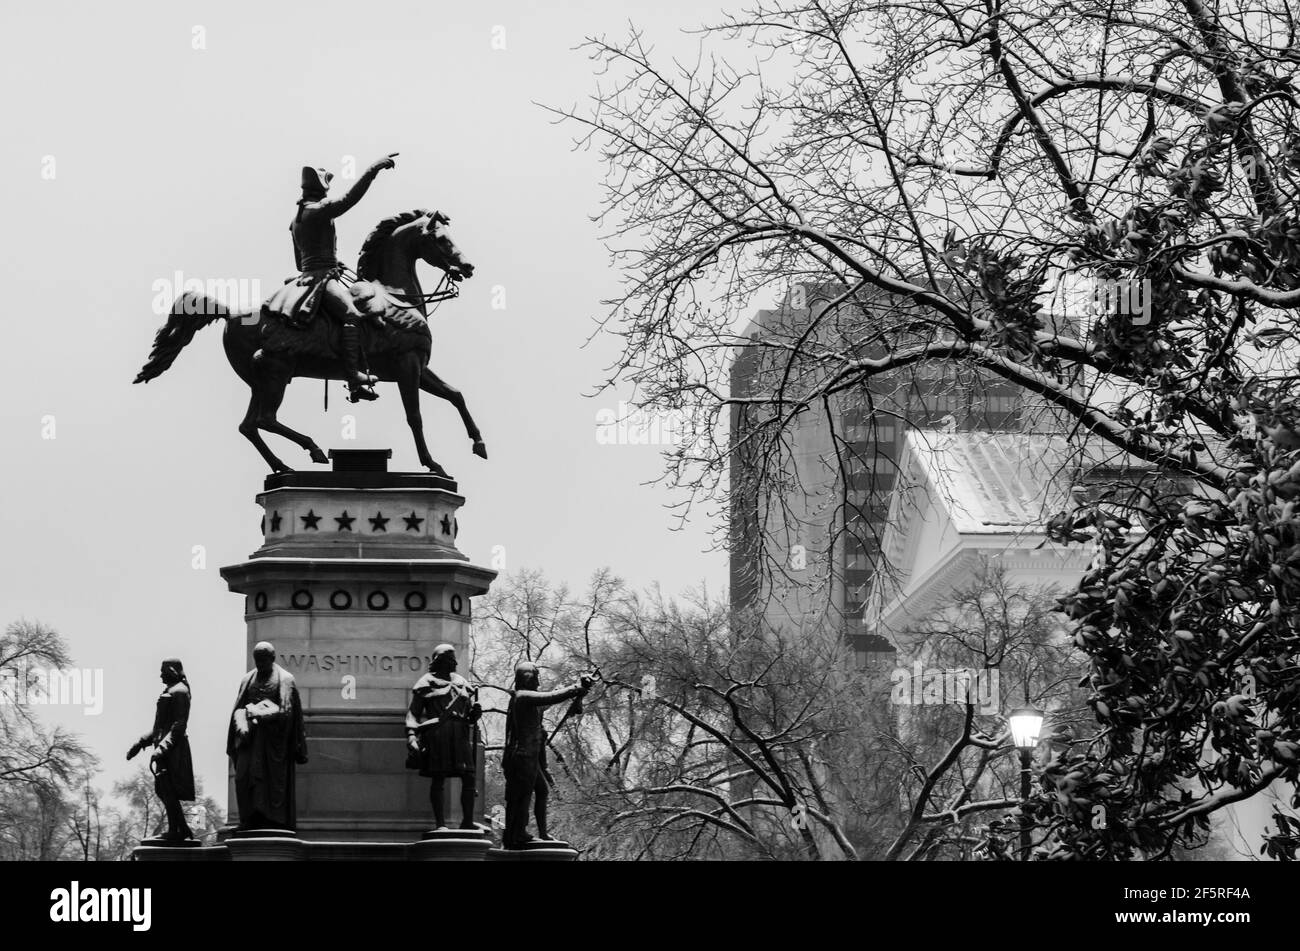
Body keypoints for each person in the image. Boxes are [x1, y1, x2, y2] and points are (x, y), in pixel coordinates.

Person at [264, 153, 399, 401]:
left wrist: (330, 261)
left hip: (307, 278)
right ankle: (353, 377)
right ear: (321, 188)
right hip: (322, 280)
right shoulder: (321, 210)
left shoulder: (296, 220)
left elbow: (299, 262)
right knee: (351, 314)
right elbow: (350, 199)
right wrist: (373, 169)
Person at [501, 662, 593, 848]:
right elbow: (550, 697)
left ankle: (542, 833)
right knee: (523, 795)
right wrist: (575, 688)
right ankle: (517, 834)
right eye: (535, 677)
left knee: (541, 790)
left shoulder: (531, 702)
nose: (537, 681)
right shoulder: (522, 696)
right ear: (527, 678)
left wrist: (579, 690)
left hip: (531, 756)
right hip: (522, 756)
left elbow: (548, 701)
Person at [226, 641, 308, 831]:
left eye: (264, 660)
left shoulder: (285, 679)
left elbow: (287, 712)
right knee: (242, 778)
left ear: (272, 658)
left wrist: (258, 714)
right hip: (249, 739)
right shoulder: (248, 679)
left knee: (266, 781)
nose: (260, 664)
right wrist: (242, 725)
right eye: (257, 660)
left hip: (273, 743)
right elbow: (239, 707)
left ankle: (268, 820)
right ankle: (247, 818)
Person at [406, 644, 482, 829]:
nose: (455, 662)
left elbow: (469, 715)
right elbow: (413, 713)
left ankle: (468, 821)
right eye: (451, 659)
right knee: (438, 777)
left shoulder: (462, 682)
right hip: (437, 734)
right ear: (440, 660)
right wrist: (411, 736)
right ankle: (440, 823)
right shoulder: (426, 682)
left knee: (469, 777)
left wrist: (475, 714)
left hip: (460, 735)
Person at [127, 658, 196, 842]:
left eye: (163, 671)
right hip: (165, 748)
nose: (160, 675)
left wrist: (162, 749)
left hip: (174, 750)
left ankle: (177, 829)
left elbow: (179, 725)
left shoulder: (180, 692)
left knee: (167, 788)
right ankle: (180, 828)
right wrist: (141, 743)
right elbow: (159, 727)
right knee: (163, 789)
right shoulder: (171, 691)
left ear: (172, 671)